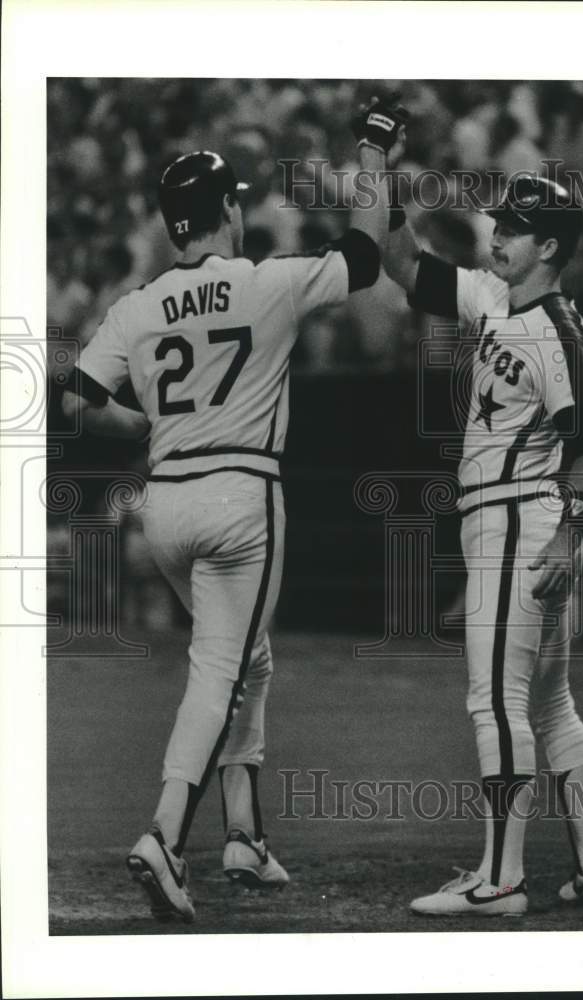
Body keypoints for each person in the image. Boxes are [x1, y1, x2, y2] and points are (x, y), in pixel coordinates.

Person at [61, 99, 407, 923]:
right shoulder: (266, 279)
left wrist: (142, 420)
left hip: (165, 501)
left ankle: (245, 837)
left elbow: (76, 399)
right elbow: (365, 252)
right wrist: (373, 153)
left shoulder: (138, 304)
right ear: (226, 212)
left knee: (245, 660)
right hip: (242, 495)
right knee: (221, 669)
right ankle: (166, 833)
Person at [384, 173, 583, 916]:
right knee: (551, 704)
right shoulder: (490, 294)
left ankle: (500, 880)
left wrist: (567, 535)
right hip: (512, 517)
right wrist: (380, 174)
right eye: (501, 222)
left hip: (527, 518)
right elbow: (404, 264)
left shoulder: (560, 327)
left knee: (495, 700)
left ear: (550, 246)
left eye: (517, 227)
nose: (499, 234)